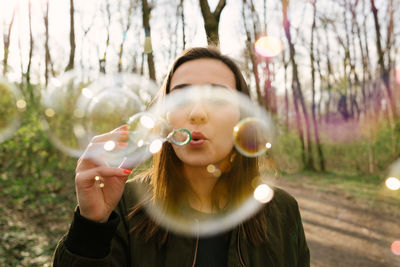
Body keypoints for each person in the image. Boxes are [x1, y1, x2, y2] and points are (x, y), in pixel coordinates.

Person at [52, 47, 310, 267]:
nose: (197, 113)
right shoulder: (122, 206)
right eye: (181, 97)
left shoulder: (283, 210)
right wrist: (90, 227)